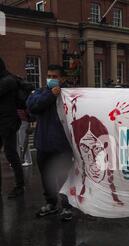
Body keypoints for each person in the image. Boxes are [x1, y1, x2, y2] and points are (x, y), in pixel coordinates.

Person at [27, 64, 73, 221]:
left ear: (63, 78)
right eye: (49, 76)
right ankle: (51, 203)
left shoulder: (69, 95)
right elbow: (32, 107)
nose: (51, 79)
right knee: (46, 176)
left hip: (62, 145)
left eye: (55, 77)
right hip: (43, 144)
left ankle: (67, 206)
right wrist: (50, 95)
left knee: (63, 177)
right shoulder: (42, 92)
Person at [0, 57, 25, 199]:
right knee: (10, 153)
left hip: (8, 122)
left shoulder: (8, 81)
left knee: (11, 154)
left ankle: (20, 185)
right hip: (3, 120)